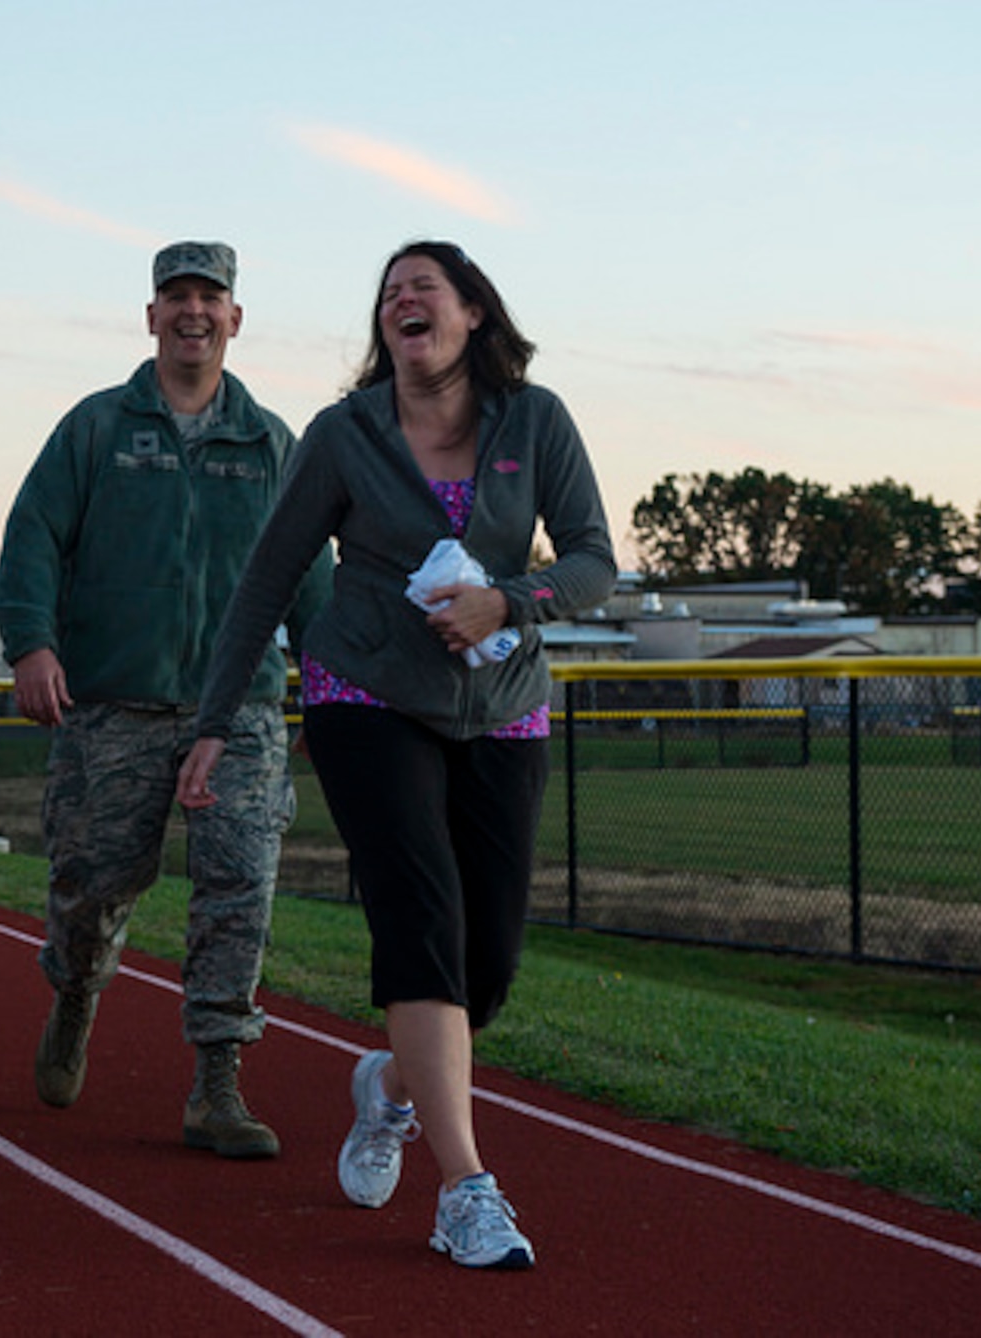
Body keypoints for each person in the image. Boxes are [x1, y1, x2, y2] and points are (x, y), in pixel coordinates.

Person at [177, 240, 616, 1269]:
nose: (401, 301)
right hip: (363, 691)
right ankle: (465, 1188)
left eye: (423, 287)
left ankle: (387, 1084)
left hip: (499, 700)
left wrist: (508, 599)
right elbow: (266, 579)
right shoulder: (343, 435)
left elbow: (593, 559)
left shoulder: (535, 420)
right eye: (387, 294)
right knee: (418, 918)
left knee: (486, 967)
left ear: (471, 312)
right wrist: (210, 721)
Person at [0, 241, 332, 1159]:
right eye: (175, 297)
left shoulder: (271, 445)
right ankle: (75, 989)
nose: (193, 313)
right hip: (115, 710)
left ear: (234, 318)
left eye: (209, 299)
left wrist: (335, 688)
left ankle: (217, 1081)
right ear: (151, 317)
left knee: (238, 891)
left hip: (241, 717)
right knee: (91, 884)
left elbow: (314, 580)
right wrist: (30, 644)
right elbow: (31, 539)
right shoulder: (98, 428)